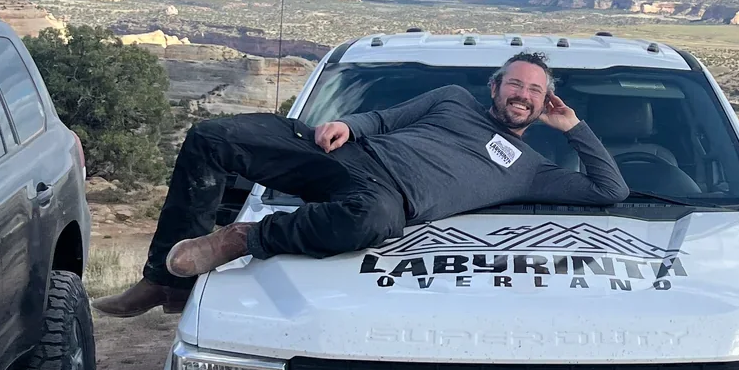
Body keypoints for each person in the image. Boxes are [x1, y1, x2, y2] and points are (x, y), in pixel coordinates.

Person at [96, 51, 629, 316]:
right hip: (347, 154)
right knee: (211, 137)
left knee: (373, 221)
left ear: (544, 104)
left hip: (385, 199)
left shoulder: (530, 168)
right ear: (495, 87)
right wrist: (350, 125)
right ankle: (163, 279)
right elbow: (388, 118)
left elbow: (611, 190)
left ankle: (241, 239)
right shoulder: (450, 98)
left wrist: (575, 127)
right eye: (514, 81)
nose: (522, 93)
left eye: (535, 90)